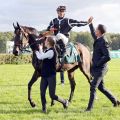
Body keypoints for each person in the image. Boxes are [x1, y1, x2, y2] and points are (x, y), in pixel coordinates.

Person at [86, 16, 120, 111]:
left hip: (101, 69)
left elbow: (108, 56)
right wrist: (90, 24)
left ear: (99, 31)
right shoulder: (98, 39)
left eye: (96, 29)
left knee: (93, 87)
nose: (95, 30)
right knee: (101, 88)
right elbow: (93, 34)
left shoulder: (103, 41)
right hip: (97, 68)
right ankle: (116, 101)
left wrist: (97, 63)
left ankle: (89, 109)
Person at [47, 5, 88, 83]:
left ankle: (63, 52)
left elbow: (78, 23)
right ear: (57, 12)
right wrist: (50, 29)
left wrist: (87, 22)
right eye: (60, 11)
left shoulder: (68, 20)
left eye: (62, 11)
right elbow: (47, 29)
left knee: (58, 35)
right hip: (56, 41)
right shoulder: (53, 21)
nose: (61, 13)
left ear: (64, 12)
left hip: (64, 39)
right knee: (49, 38)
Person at [35, 37, 68, 113]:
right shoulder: (48, 51)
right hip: (44, 75)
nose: (45, 42)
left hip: (51, 76)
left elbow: (40, 57)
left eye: (46, 41)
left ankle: (64, 101)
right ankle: (44, 108)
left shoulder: (52, 51)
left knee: (52, 95)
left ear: (49, 43)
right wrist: (39, 50)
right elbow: (43, 55)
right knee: (42, 92)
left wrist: (37, 51)